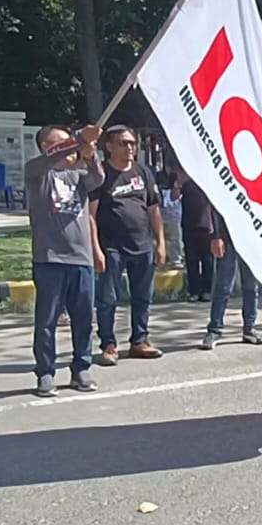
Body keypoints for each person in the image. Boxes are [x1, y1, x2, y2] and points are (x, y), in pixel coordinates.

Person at [24, 124, 104, 397]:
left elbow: (97, 179)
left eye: (70, 143)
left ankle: (82, 367)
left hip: (80, 258)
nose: (70, 148)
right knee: (47, 320)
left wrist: (90, 154)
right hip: (50, 258)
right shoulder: (37, 173)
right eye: (62, 143)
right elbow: (46, 161)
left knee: (83, 318)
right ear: (46, 147)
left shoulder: (79, 176)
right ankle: (45, 372)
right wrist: (79, 139)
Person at [89, 126, 166, 365]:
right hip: (112, 247)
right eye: (124, 143)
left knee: (143, 297)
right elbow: (90, 215)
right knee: (108, 298)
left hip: (142, 245)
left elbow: (153, 209)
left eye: (133, 143)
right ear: (109, 146)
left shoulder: (142, 172)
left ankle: (139, 340)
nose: (130, 147)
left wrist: (160, 243)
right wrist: (96, 249)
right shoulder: (101, 174)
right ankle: (108, 344)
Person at [200, 206, 262, 351]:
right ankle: (214, 330)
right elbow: (216, 207)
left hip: (251, 240)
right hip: (228, 238)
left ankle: (249, 328)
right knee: (223, 287)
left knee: (251, 286)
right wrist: (216, 236)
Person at [173, 164, 213, 301]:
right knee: (191, 260)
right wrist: (178, 184)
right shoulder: (186, 181)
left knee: (207, 260)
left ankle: (207, 290)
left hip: (206, 225)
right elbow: (174, 197)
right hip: (189, 225)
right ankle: (194, 291)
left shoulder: (207, 181)